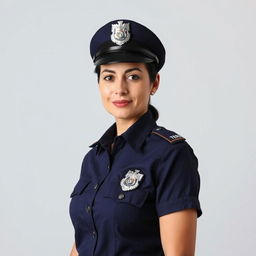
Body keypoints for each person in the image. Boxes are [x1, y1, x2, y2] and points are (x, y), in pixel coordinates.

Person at [69, 19, 202, 256]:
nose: (119, 89)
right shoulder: (94, 158)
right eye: (109, 77)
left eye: (133, 76)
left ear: (154, 83)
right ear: (99, 84)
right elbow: (83, 242)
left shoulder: (171, 155)